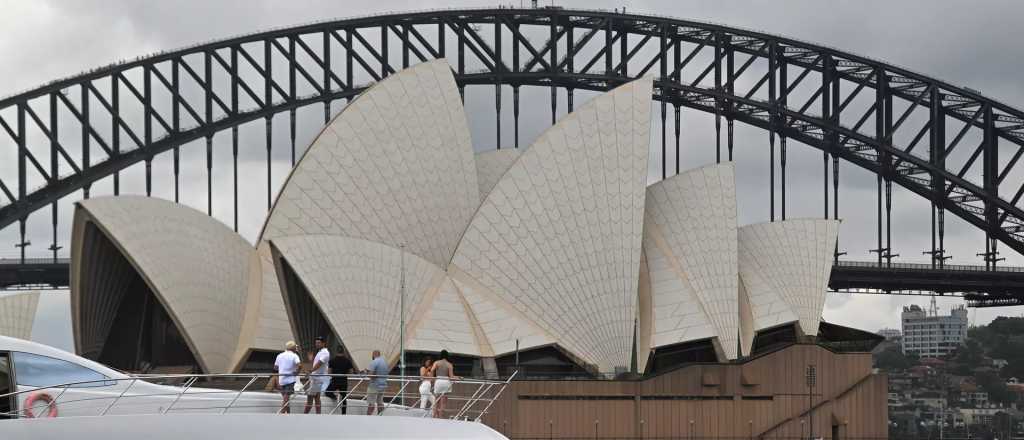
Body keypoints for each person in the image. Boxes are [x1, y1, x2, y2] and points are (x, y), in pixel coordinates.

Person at [429, 350, 460, 419]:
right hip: (446, 382)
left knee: (436, 400)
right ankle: (440, 416)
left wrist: (432, 379)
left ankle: (434, 416)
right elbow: (451, 376)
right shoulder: (449, 364)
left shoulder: (437, 362)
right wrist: (458, 377)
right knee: (443, 402)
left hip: (438, 381)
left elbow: (432, 370)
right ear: (447, 356)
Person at [303, 336, 330, 414]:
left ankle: (304, 415)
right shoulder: (320, 352)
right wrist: (311, 360)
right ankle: (318, 415)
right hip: (316, 378)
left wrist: (310, 371)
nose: (317, 344)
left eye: (319, 343)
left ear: (323, 343)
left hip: (317, 379)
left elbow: (319, 363)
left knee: (310, 398)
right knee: (317, 398)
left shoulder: (325, 352)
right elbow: (316, 364)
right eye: (316, 343)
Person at [273, 341, 301, 413]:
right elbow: (299, 365)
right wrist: (297, 372)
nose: (296, 349)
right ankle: (281, 414)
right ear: (293, 348)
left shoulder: (279, 355)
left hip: (281, 380)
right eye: (295, 347)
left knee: (286, 399)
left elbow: (275, 367)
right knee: (286, 399)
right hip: (290, 380)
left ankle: (288, 414)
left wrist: (282, 367)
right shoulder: (294, 356)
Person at [365, 350, 389, 415]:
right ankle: (380, 415)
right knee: (380, 402)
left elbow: (371, 375)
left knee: (371, 403)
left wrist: (366, 372)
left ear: (373, 355)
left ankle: (368, 417)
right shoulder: (385, 362)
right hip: (383, 385)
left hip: (374, 385)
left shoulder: (374, 362)